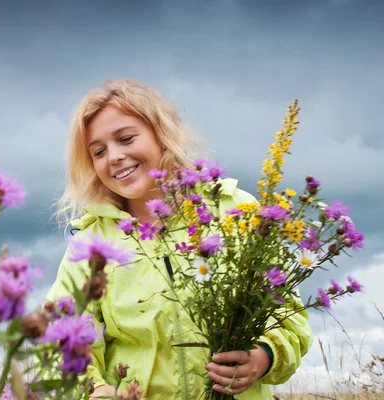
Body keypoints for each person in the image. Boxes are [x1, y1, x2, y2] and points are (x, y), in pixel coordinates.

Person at [45, 78, 313, 399]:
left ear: (162, 134)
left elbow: (288, 315)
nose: (114, 156)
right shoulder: (91, 244)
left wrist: (262, 357)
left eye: (126, 138)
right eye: (98, 151)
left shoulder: (233, 208)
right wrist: (96, 390)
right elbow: (64, 337)